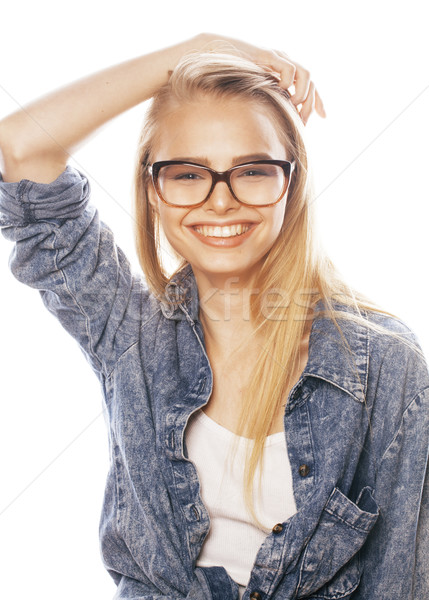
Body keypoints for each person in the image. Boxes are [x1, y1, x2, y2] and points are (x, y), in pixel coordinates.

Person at [0, 33, 427, 600]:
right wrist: (193, 49)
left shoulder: (385, 364)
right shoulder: (128, 330)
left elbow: (402, 579)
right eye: (187, 173)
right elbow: (22, 148)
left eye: (251, 170)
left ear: (290, 185)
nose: (220, 201)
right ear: (153, 189)